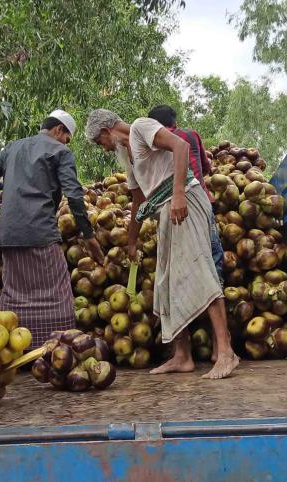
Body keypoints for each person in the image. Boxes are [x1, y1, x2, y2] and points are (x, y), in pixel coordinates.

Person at [85, 108, 239, 379]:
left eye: (100, 143)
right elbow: (137, 201)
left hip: (185, 202)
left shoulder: (141, 127)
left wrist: (179, 193)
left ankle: (226, 352)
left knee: (200, 272)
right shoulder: (127, 155)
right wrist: (131, 242)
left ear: (106, 131)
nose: (104, 149)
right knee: (165, 282)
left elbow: (180, 146)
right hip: (164, 212)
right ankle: (182, 355)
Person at [0, 110, 104, 348]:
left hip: (9, 235)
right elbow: (74, 195)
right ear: (59, 130)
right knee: (58, 291)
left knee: (15, 293)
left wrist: (7, 185)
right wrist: (89, 235)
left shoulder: (13, 147)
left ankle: (16, 348)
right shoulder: (60, 151)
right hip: (40, 232)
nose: (67, 143)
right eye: (67, 138)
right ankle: (58, 351)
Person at [147, 105, 224, 286]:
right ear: (175, 122)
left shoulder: (152, 146)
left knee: (183, 257)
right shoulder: (190, 135)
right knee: (212, 249)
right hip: (200, 200)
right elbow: (206, 168)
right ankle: (217, 288)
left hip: (171, 208)